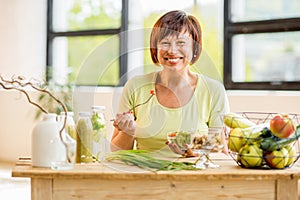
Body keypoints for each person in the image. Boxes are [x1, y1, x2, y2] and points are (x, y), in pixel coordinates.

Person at [111, 10, 230, 157]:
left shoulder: (213, 90)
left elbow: (221, 152)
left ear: (195, 48)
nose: (172, 51)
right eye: (165, 43)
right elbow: (116, 152)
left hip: (194, 175)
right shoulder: (135, 86)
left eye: (181, 42)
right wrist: (129, 132)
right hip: (144, 173)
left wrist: (195, 154)